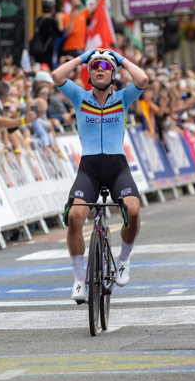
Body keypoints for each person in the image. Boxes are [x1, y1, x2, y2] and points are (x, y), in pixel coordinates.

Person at [51, 48, 148, 301]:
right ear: (89, 73)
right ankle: (78, 279)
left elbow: (142, 80)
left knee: (134, 212)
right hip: (90, 170)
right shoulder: (80, 98)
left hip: (117, 168)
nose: (100, 70)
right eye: (95, 67)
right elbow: (57, 76)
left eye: (105, 67)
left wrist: (120, 58)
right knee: (74, 216)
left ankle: (124, 261)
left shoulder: (123, 99)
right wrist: (84, 57)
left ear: (113, 73)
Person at [31, 0, 63, 69]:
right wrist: (60, 21)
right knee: (46, 69)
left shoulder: (37, 19)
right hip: (47, 51)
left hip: (37, 50)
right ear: (52, 9)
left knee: (38, 69)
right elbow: (60, 33)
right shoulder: (52, 21)